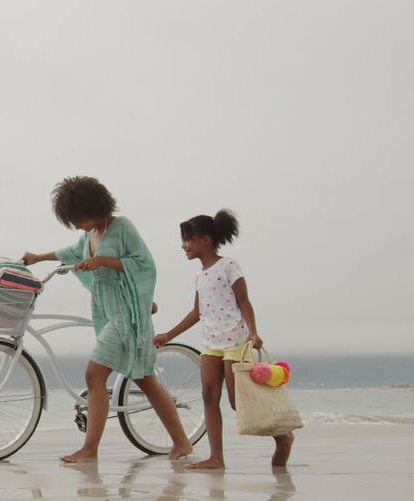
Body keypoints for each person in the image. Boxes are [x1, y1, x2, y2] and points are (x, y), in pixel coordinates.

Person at [23, 176, 194, 463]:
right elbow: (70, 252)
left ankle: (89, 449)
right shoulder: (90, 235)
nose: (76, 224)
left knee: (94, 376)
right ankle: (181, 442)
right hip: (107, 310)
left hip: (127, 315)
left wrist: (101, 261)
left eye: (77, 217)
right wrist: (39, 257)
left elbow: (143, 264)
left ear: (93, 206)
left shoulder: (121, 227)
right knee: (145, 379)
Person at [153, 209, 294, 468]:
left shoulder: (228, 265)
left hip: (235, 341)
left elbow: (244, 301)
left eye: (188, 239)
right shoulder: (200, 276)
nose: (183, 246)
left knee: (235, 399)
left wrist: (253, 331)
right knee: (208, 395)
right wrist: (168, 335)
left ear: (205, 239)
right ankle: (216, 457)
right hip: (210, 343)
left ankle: (283, 436)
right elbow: (197, 312)